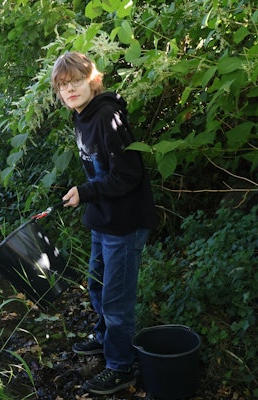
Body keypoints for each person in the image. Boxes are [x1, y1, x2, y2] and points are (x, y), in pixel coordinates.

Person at [51, 52, 158, 395]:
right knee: (96, 284)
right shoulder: (81, 116)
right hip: (104, 218)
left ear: (92, 80)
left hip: (125, 224)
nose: (70, 90)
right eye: (63, 86)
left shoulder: (108, 116)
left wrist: (85, 191)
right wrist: (85, 194)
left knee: (116, 299)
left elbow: (129, 174)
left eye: (76, 82)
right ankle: (103, 336)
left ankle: (120, 365)